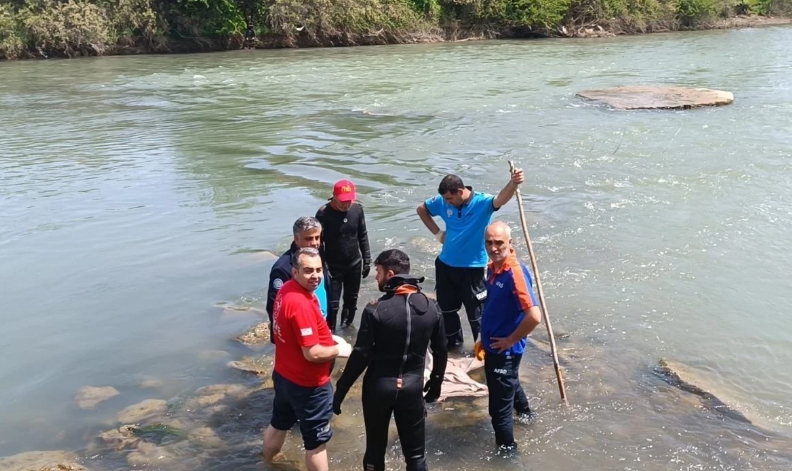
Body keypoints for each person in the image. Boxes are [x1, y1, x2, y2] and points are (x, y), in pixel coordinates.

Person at [332, 249, 447, 471]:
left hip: (379, 387)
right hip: (412, 388)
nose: (376, 277)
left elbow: (361, 355)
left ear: (390, 274)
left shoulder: (375, 310)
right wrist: (436, 382)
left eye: (378, 271)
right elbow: (441, 350)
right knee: (416, 457)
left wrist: (341, 390)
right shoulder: (432, 308)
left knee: (375, 453)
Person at [262, 247, 353, 471]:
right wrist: (341, 349)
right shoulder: (300, 304)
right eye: (308, 270)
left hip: (284, 376)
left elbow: (292, 331)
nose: (315, 276)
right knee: (316, 443)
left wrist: (325, 336)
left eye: (319, 270)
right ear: (295, 272)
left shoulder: (286, 290)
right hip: (308, 386)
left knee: (278, 423)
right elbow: (312, 353)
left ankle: (266, 463)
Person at [416, 169, 524, 347]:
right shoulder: (443, 202)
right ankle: (454, 348)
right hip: (445, 265)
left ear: (460, 191)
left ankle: (481, 350)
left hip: (473, 268)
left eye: (450, 199)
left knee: (478, 315)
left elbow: (501, 199)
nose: (447, 203)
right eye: (445, 200)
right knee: (447, 311)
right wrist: (437, 234)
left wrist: (513, 183)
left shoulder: (482, 202)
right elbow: (421, 209)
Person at [478, 221, 542, 452]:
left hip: (504, 350)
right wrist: (481, 337)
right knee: (510, 382)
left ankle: (507, 453)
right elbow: (494, 306)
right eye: (489, 243)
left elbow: (534, 317)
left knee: (498, 409)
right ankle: (526, 416)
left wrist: (510, 340)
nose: (493, 248)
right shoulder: (493, 267)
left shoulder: (515, 273)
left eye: (499, 243)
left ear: (510, 243)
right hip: (493, 345)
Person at [315, 179, 372, 331]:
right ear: (334, 196)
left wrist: (367, 259)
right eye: (342, 201)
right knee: (332, 304)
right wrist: (321, 266)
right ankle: (330, 331)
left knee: (351, 300)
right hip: (333, 266)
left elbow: (362, 235)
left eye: (348, 201)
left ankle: (347, 329)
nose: (346, 205)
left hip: (354, 263)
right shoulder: (323, 214)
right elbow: (318, 244)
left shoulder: (357, 210)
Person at [266, 216, 332, 340]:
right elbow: (274, 307)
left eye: (317, 238)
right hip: (299, 334)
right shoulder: (282, 268)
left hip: (322, 324)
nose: (314, 243)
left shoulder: (316, 254)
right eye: (309, 238)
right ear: (297, 239)